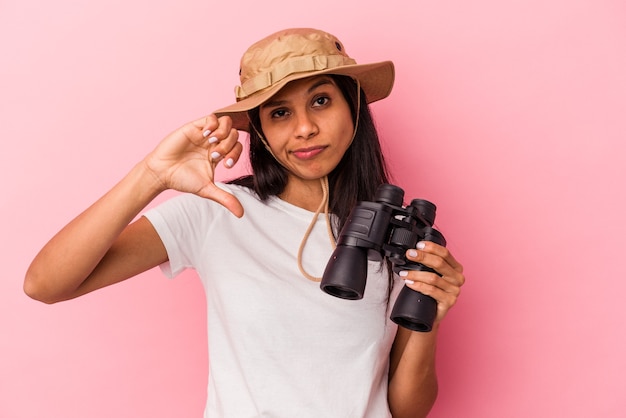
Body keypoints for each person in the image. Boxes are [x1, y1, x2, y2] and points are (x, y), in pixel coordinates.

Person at [24, 28, 465, 418]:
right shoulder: (219, 211)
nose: (305, 128)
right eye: (279, 113)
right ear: (257, 129)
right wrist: (153, 175)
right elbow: (45, 284)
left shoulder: (394, 235)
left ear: (353, 107)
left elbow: (407, 410)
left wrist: (432, 314)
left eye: (321, 100)